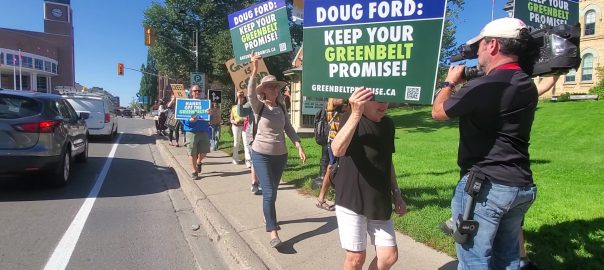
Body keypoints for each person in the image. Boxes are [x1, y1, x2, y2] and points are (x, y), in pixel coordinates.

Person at [432, 18, 540, 269]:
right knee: (509, 260)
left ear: (492, 45)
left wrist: (450, 82)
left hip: (486, 189)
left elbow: (438, 112)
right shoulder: (525, 83)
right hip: (520, 186)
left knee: (474, 261)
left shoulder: (485, 85)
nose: (477, 52)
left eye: (479, 45)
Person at [330, 87, 407, 270]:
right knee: (356, 258)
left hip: (379, 198)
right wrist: (356, 113)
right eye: (379, 100)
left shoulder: (388, 124)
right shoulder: (350, 118)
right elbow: (337, 150)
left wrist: (396, 193)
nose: (384, 106)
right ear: (364, 100)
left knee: (389, 256)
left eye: (387, 100)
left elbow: (388, 161)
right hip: (352, 197)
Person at [248, 52, 306, 248]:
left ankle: (268, 215)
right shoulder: (259, 106)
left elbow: (288, 127)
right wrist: (254, 70)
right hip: (261, 154)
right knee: (270, 192)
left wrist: (298, 144)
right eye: (269, 86)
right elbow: (249, 93)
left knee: (272, 192)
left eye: (275, 86)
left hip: (280, 156)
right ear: (263, 90)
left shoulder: (281, 107)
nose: (273, 88)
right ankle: (273, 232)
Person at [316, 98, 349, 211]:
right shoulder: (333, 102)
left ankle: (341, 199)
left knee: (341, 169)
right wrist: (346, 99)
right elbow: (332, 103)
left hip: (347, 142)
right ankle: (321, 199)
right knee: (332, 168)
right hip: (335, 142)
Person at [181, 84, 211, 180]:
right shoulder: (186, 104)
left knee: (205, 152)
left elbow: (210, 119)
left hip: (203, 131)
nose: (197, 92)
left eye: (199, 90)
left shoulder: (205, 104)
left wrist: (210, 114)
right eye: (195, 91)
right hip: (191, 132)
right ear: (191, 93)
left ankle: (199, 162)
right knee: (192, 153)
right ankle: (194, 171)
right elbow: (181, 118)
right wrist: (189, 120)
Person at [230, 91, 247, 164]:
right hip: (236, 126)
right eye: (241, 97)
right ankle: (235, 158)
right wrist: (234, 122)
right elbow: (231, 119)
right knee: (236, 142)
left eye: (243, 98)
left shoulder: (246, 107)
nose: (242, 99)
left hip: (244, 126)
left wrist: (244, 119)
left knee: (246, 143)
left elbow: (248, 117)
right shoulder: (234, 107)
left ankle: (248, 160)